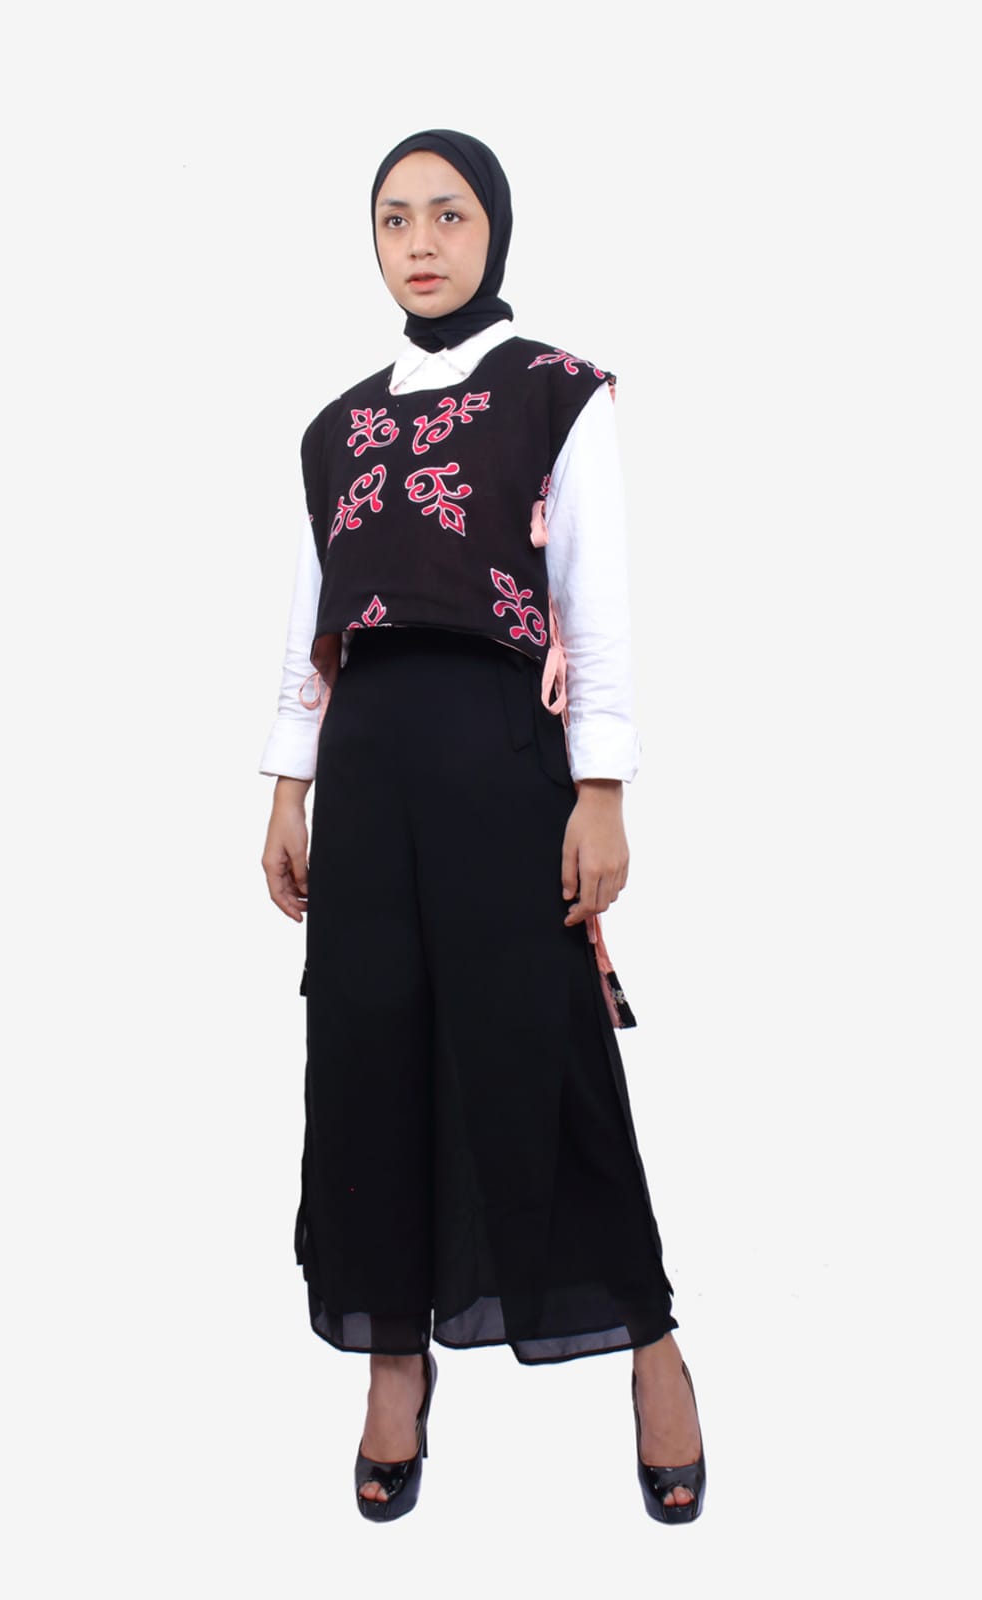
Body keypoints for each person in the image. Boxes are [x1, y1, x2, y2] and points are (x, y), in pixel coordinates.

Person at [259, 129, 706, 1524]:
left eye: (448, 216)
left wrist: (601, 791)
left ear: (492, 230)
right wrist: (287, 782)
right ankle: (393, 1357)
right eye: (395, 219)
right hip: (368, 765)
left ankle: (650, 1341)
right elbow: (312, 623)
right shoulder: (334, 427)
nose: (422, 243)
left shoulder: (556, 393)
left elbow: (595, 601)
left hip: (502, 755)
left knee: (543, 1044)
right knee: (368, 1050)